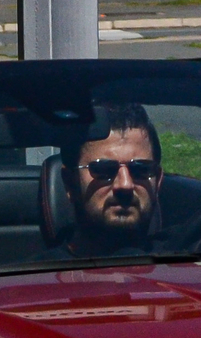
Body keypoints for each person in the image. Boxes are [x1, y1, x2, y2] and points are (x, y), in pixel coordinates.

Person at [62, 103, 165, 254]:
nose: (125, 184)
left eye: (141, 170)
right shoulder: (39, 275)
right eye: (104, 170)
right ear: (70, 183)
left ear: (158, 181)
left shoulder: (186, 264)